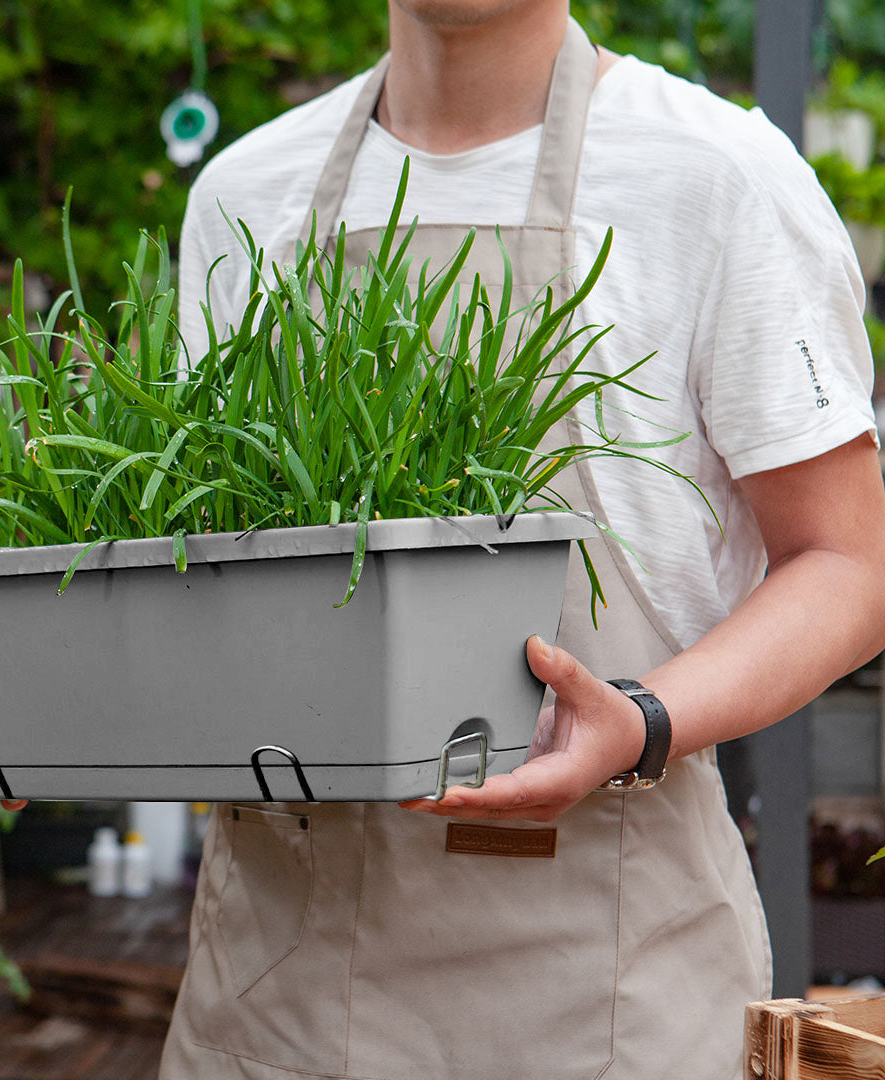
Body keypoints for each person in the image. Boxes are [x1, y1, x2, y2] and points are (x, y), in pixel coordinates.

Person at [151, 3, 885, 1079]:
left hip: (605, 988)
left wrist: (641, 719)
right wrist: (40, 691)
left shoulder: (716, 178)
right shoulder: (247, 195)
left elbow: (852, 563)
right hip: (280, 995)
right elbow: (219, 580)